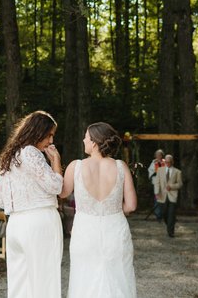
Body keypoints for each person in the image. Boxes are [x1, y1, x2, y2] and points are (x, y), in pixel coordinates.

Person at [65, 122, 137, 298]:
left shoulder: (76, 166)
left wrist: (55, 161)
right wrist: (111, 207)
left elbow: (62, 193)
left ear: (94, 142)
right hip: (115, 230)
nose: (83, 140)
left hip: (85, 231)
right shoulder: (121, 167)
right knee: (118, 279)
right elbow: (131, 205)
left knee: (83, 280)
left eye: (86, 137)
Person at [0, 110, 64, 298]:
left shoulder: (9, 157)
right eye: (49, 135)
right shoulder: (31, 152)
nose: (51, 141)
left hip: (15, 224)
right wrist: (56, 161)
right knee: (44, 279)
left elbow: (0, 200)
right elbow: (56, 186)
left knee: (20, 282)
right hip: (39, 221)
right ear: (37, 132)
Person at [157, 154, 183, 237]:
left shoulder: (177, 172)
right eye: (166, 162)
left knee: (171, 214)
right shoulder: (160, 170)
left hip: (173, 195)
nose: (168, 163)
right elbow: (157, 182)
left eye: (169, 162)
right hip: (162, 195)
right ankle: (169, 224)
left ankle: (170, 231)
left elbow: (180, 184)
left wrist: (171, 186)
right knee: (164, 213)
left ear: (172, 162)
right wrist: (156, 193)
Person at [147, 149, 166, 221]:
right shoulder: (153, 162)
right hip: (156, 183)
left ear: (162, 155)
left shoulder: (165, 162)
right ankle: (158, 214)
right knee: (157, 198)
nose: (158, 156)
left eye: (160, 155)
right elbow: (150, 171)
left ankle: (164, 214)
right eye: (157, 155)